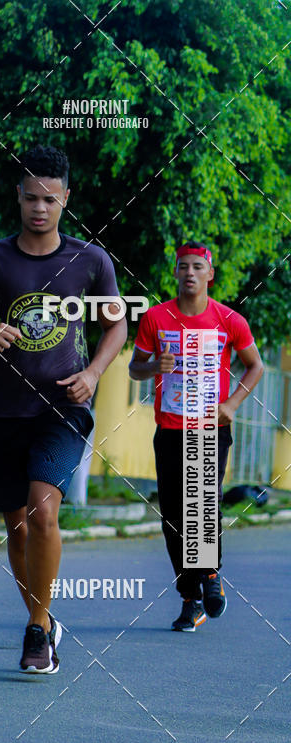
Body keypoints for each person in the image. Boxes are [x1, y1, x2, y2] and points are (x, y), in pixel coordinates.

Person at [0, 145, 127, 673]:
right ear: (17, 198)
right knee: (17, 528)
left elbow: (117, 325)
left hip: (62, 409)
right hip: (2, 412)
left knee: (44, 512)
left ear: (66, 199)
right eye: (29, 198)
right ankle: (44, 620)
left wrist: (92, 375)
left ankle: (35, 630)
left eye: (49, 198)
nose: (38, 208)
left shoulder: (90, 261)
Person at [129, 241, 264, 632]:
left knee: (201, 504)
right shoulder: (156, 318)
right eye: (183, 266)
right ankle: (191, 599)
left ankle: (209, 576)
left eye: (197, 267)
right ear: (175, 273)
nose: (190, 273)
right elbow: (136, 370)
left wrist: (233, 404)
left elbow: (255, 366)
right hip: (169, 428)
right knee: (173, 515)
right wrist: (155, 364)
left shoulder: (229, 320)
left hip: (210, 426)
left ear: (210, 274)